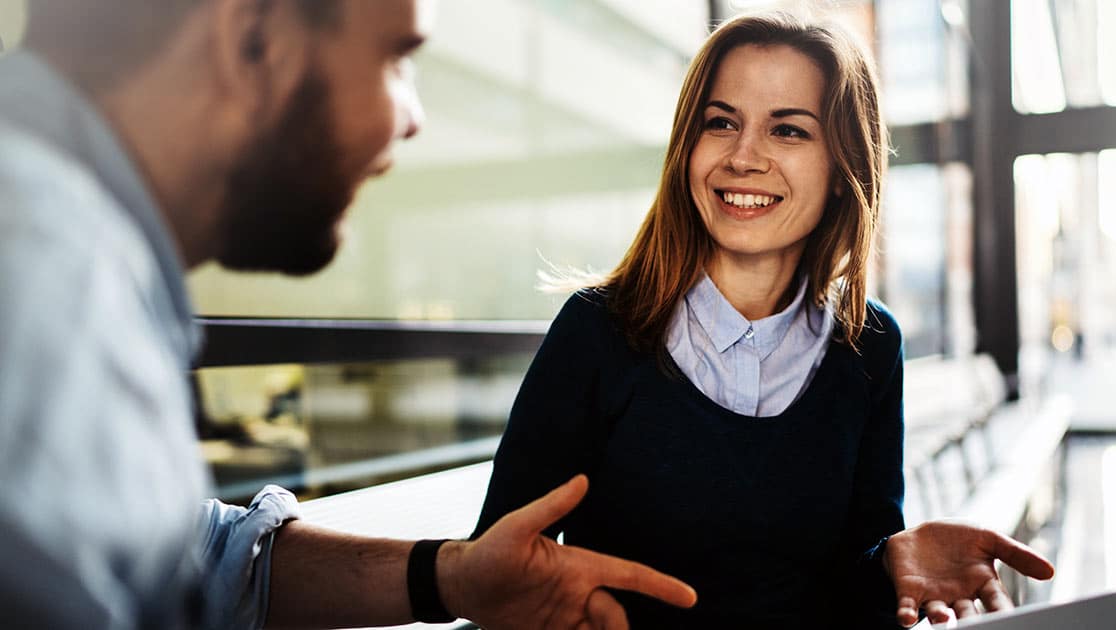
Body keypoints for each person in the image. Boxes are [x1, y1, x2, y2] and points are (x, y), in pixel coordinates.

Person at [0, 1, 699, 628]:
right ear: (252, 41)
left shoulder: (79, 257)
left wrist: (451, 577)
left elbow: (188, 553)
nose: (414, 117)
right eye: (397, 58)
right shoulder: (51, 289)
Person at [472, 10, 1054, 629]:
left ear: (842, 169)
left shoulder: (870, 345)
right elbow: (501, 581)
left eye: (788, 131)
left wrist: (890, 564)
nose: (743, 157)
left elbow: (848, 587)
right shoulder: (596, 331)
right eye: (720, 123)